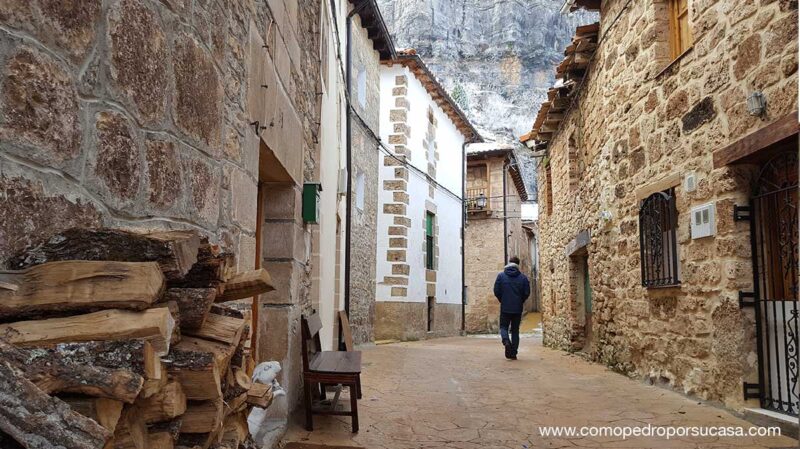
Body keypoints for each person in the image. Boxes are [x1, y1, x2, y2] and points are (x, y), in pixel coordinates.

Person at [493, 256, 530, 360]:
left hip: (505, 307)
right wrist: (520, 301)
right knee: (515, 330)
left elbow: (496, 291)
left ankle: (506, 340)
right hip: (517, 308)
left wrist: (502, 300)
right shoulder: (523, 278)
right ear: (518, 265)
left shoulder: (501, 276)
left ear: (509, 263)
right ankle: (513, 353)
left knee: (503, 327)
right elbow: (527, 292)